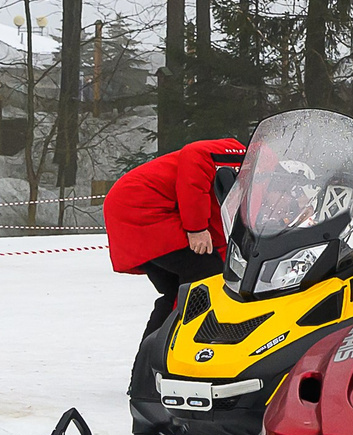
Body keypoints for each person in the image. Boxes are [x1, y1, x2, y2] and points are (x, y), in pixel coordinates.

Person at [103, 135, 247, 335]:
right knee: (207, 279)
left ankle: (150, 359)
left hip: (134, 208)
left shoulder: (247, 172)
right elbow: (194, 160)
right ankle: (181, 345)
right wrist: (196, 229)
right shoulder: (238, 157)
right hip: (143, 209)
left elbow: (217, 211)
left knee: (177, 292)